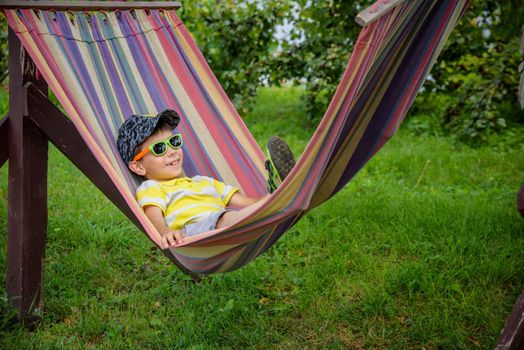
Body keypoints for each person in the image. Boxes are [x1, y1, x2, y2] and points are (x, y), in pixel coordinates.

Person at [116, 109, 295, 249]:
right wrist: (165, 232)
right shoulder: (152, 187)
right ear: (138, 166)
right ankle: (277, 201)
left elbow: (249, 203)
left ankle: (279, 194)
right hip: (194, 235)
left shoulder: (204, 181)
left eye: (174, 142)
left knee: (249, 211)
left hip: (226, 224)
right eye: (160, 148)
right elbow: (153, 217)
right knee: (225, 218)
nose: (172, 151)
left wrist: (266, 203)